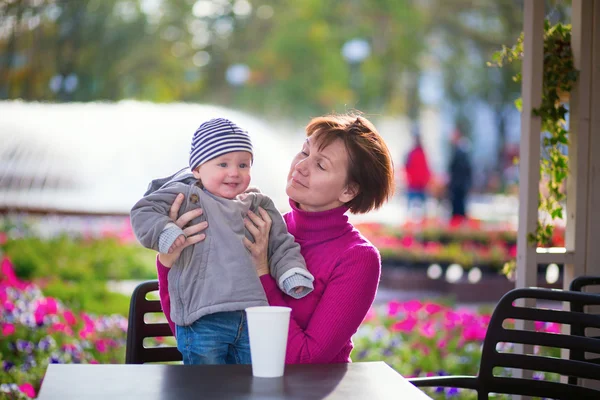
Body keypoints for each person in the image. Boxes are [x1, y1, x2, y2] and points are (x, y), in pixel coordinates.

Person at [156, 113, 395, 364]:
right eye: (304, 152)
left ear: (349, 190)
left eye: (321, 165)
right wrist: (169, 262)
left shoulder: (357, 258)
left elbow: (305, 360)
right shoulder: (260, 224)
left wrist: (262, 271)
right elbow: (195, 334)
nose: (300, 167)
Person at [130, 118, 314, 365]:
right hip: (204, 318)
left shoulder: (258, 204)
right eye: (223, 163)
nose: (234, 172)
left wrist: (292, 271)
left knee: (252, 385)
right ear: (197, 169)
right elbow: (144, 210)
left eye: (243, 164)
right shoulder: (185, 197)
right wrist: (166, 231)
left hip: (253, 317)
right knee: (208, 387)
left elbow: (281, 243)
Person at [404, 127, 431, 215]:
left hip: (414, 183)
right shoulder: (422, 152)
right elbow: (427, 168)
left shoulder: (412, 153)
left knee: (410, 207)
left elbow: (407, 167)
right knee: (423, 208)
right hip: (420, 183)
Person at [447, 128, 472, 222]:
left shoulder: (461, 150)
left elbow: (462, 169)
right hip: (459, 184)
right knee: (458, 207)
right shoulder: (459, 149)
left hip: (459, 185)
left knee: (459, 208)